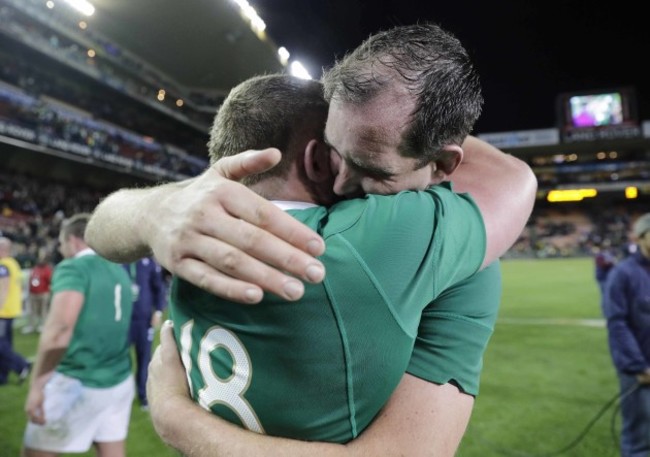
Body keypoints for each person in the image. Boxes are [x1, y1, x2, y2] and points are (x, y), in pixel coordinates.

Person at [22, 213, 135, 457]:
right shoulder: (118, 270)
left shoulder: (74, 267)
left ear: (73, 240)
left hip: (78, 379)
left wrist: (37, 385)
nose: (61, 251)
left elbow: (59, 331)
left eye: (62, 244)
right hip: (119, 378)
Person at [602, 212, 650, 457]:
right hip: (640, 372)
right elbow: (617, 324)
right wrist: (638, 367)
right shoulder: (623, 274)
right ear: (641, 237)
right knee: (640, 439)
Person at [123, 256, 167, 410]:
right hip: (124, 319)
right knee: (121, 359)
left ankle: (143, 396)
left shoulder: (149, 263)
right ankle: (122, 396)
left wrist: (159, 312)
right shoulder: (120, 262)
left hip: (144, 319)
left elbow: (159, 288)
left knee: (144, 359)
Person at [0, 236, 31, 385]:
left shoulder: (3, 266)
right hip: (11, 310)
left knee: (1, 344)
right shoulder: (14, 264)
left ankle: (22, 365)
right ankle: (3, 376)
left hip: (3, 312)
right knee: (5, 343)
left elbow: (3, 289)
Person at [23, 250, 54, 334]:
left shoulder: (47, 269)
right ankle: (31, 326)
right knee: (32, 311)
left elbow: (50, 281)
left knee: (43, 311)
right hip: (33, 293)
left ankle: (43, 325)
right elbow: (31, 279)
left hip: (43, 293)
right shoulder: (35, 268)